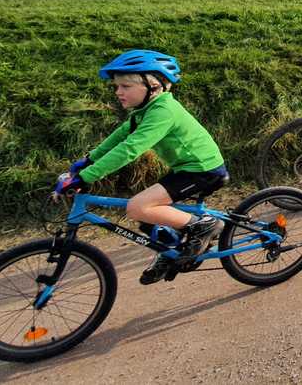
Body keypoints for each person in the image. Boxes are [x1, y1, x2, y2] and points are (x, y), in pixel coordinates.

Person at [53, 49, 229, 285]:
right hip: (186, 168)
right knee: (149, 215)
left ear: (153, 86)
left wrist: (85, 177)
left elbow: (130, 148)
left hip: (203, 170)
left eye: (125, 86)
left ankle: (205, 225)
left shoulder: (163, 112)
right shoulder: (145, 111)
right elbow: (119, 137)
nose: (118, 92)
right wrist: (87, 161)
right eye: (116, 86)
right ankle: (170, 251)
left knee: (138, 207)